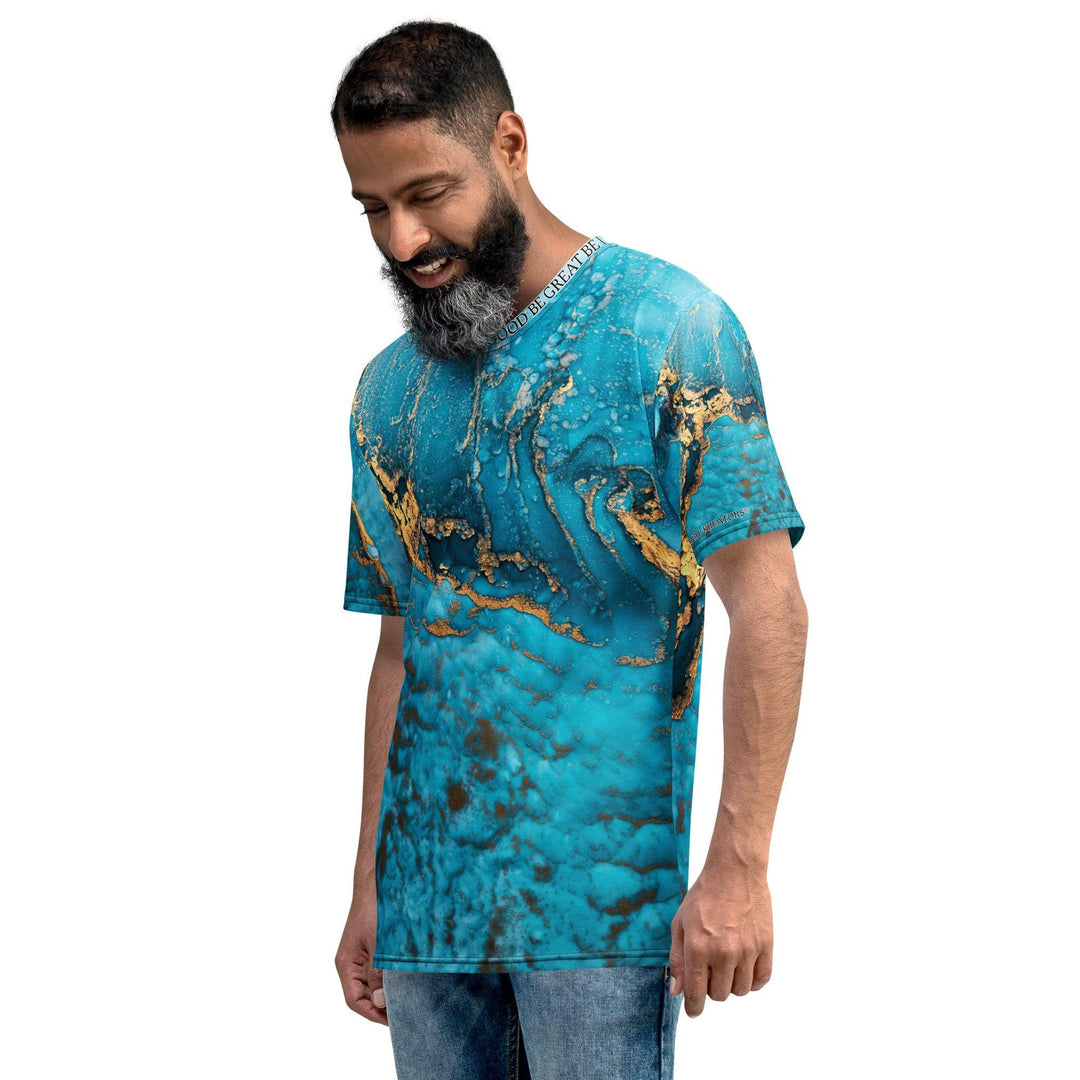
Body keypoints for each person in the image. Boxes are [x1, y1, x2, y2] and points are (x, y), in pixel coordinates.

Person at [329, 20, 808, 1080]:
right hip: (428, 919)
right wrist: (371, 884)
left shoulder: (669, 329)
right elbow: (403, 645)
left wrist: (739, 865)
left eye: (428, 194)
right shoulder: (386, 390)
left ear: (509, 144)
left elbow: (769, 604)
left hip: (605, 915)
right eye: (374, 207)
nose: (403, 241)